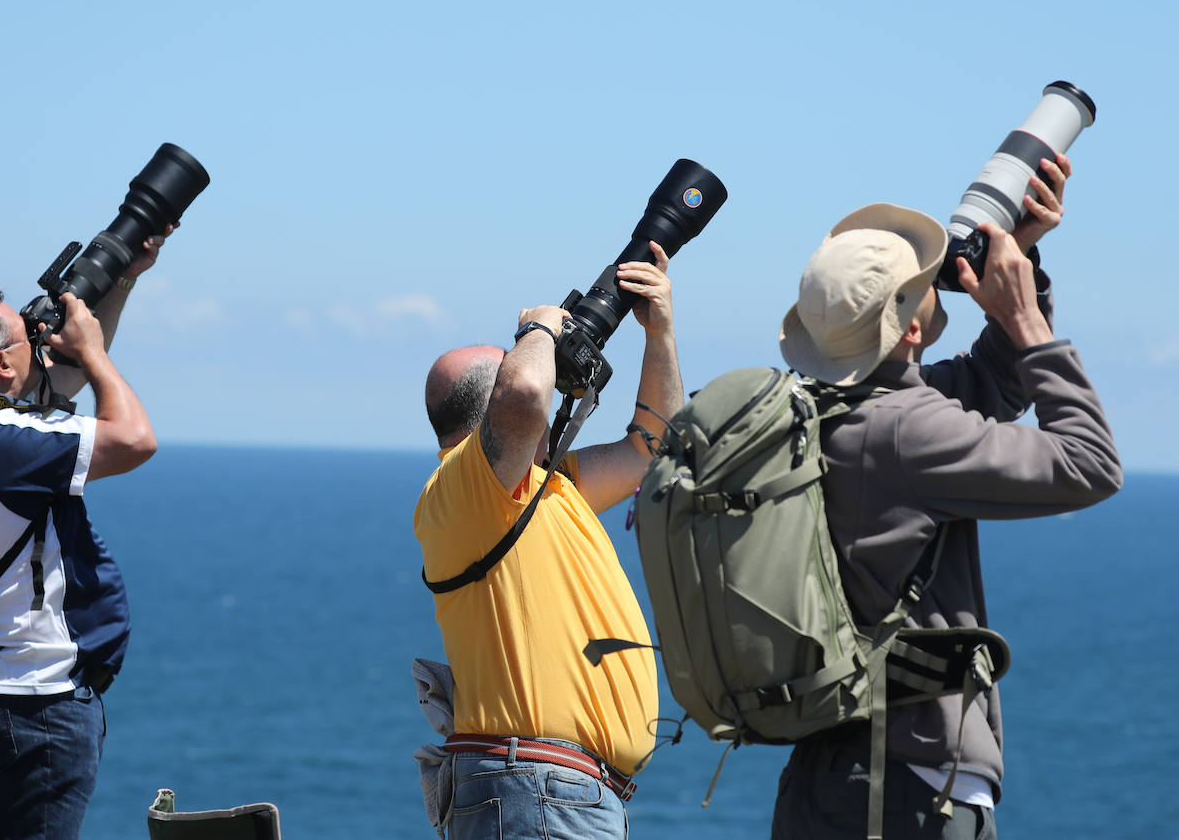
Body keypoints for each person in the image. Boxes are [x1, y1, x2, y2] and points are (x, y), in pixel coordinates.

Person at [770, 157, 1122, 839]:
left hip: (832, 774)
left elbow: (991, 383)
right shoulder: (904, 433)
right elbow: (1090, 465)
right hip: (905, 785)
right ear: (906, 328)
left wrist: (1022, 256)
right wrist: (1023, 319)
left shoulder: (832, 412)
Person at [412, 241, 683, 839]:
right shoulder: (467, 488)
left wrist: (658, 330)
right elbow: (524, 396)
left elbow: (655, 450)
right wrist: (537, 327)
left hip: (558, 793)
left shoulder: (545, 488)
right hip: (534, 788)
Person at [0, 227, 172, 839]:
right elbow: (136, 438)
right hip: (36, 707)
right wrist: (95, 353)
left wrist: (125, 278)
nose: (40, 348)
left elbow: (63, 388)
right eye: (25, 340)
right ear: (2, 363)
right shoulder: (6, 447)